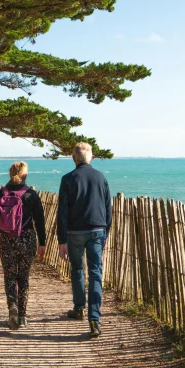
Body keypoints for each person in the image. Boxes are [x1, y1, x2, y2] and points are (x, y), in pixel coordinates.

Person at [57, 141, 112, 339]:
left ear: (74, 158)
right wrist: (106, 232)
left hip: (74, 232)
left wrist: (61, 240)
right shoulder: (101, 177)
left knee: (77, 269)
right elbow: (108, 208)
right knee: (96, 273)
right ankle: (94, 319)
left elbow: (62, 212)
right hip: (97, 229)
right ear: (92, 158)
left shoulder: (68, 179)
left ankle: (79, 308)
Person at [0, 161, 47, 330]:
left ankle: (12, 307)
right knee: (23, 278)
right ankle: (22, 316)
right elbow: (40, 221)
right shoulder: (31, 194)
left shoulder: (1, 193)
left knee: (9, 277)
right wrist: (42, 243)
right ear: (25, 175)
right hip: (27, 239)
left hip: (7, 240)